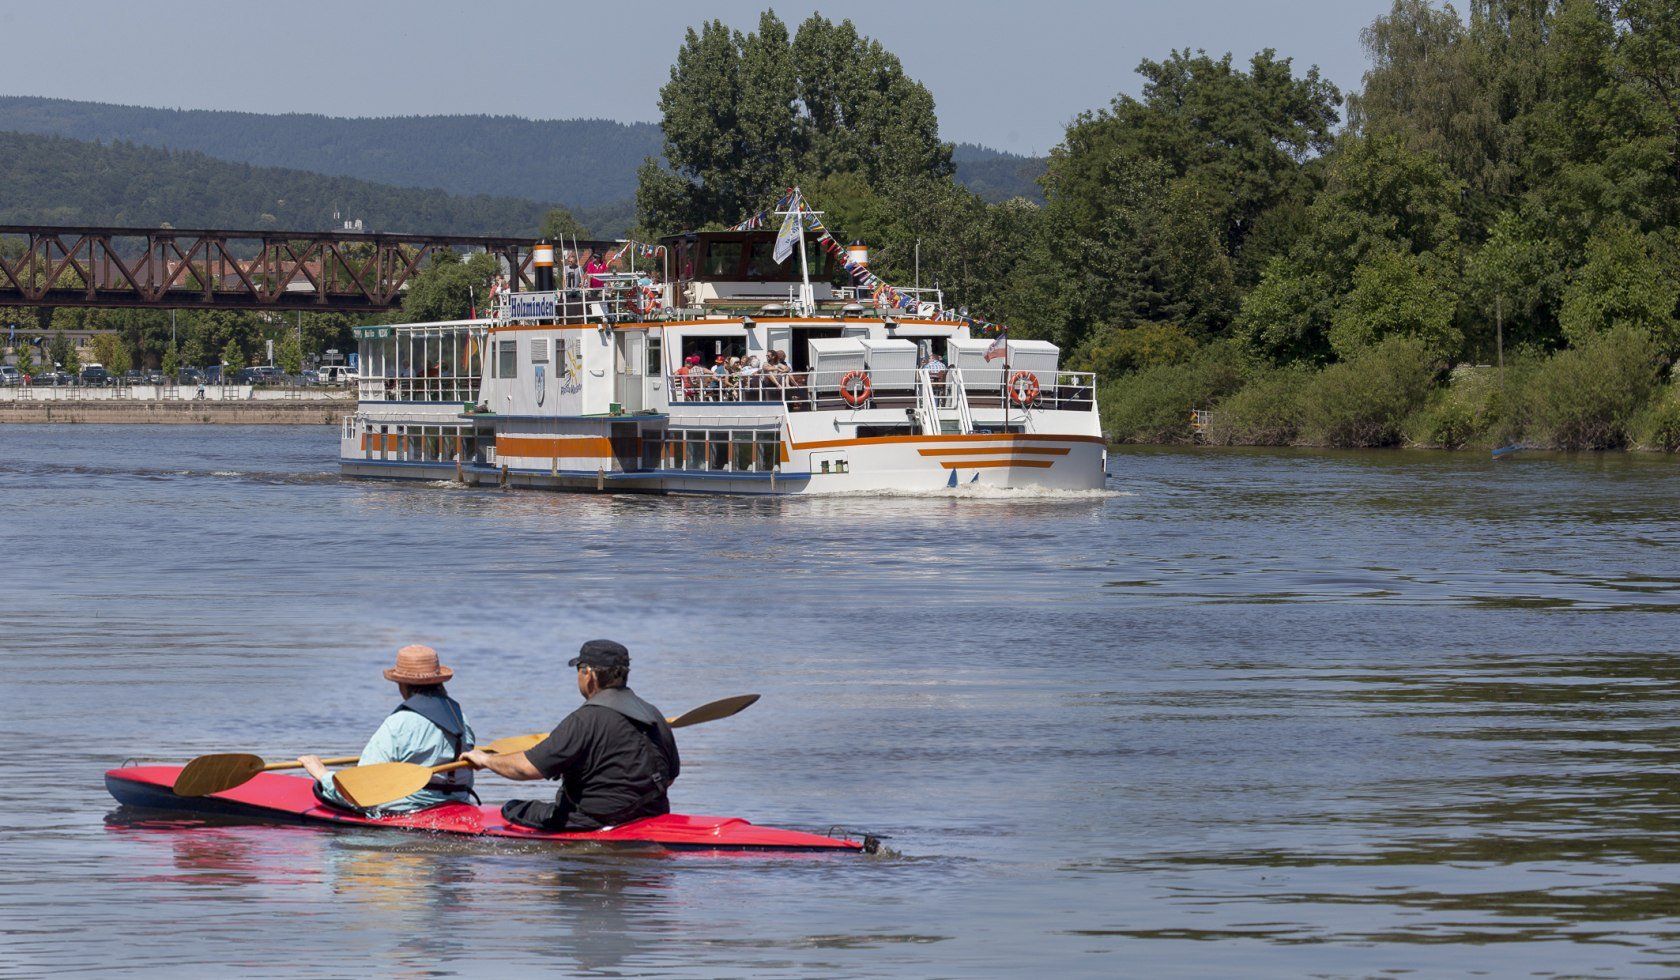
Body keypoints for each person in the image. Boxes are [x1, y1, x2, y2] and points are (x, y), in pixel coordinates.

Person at [461, 639, 679, 832]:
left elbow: (527, 768)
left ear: (589, 674)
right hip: (650, 814)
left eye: (579, 669)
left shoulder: (584, 720)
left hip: (591, 821)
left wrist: (486, 760)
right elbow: (669, 777)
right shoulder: (653, 714)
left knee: (513, 808)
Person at [298, 645, 477, 814]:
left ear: (402, 685)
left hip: (407, 812)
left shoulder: (398, 724)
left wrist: (322, 774)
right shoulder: (461, 718)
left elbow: (360, 790)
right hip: (458, 806)